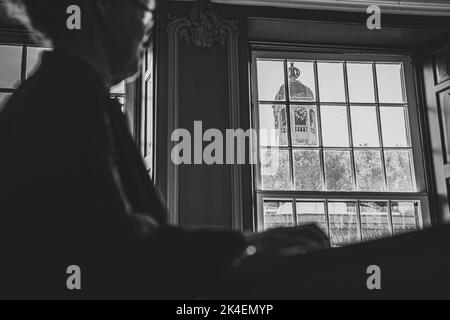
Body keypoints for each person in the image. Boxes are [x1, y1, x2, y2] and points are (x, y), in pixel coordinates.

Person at [0, 0, 328, 299]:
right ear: (103, 7)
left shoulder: (66, 94)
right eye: (146, 9)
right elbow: (117, 254)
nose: (148, 25)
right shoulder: (67, 98)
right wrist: (249, 244)